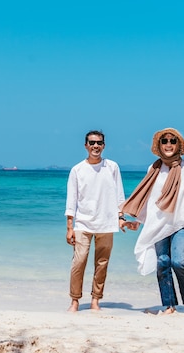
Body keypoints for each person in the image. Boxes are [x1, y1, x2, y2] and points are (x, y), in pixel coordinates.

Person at [121, 127, 184, 315]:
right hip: (159, 224)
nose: (169, 144)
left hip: (182, 222)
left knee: (179, 262)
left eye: (173, 141)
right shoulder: (153, 168)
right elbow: (149, 199)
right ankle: (169, 305)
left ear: (178, 144)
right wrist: (137, 221)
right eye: (165, 141)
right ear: (159, 145)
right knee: (162, 262)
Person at [65, 130, 138, 312]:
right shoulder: (77, 170)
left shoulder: (112, 167)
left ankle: (95, 300)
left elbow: (119, 196)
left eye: (98, 143)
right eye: (92, 143)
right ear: (86, 146)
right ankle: (75, 300)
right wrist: (69, 227)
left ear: (104, 146)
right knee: (79, 261)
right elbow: (71, 200)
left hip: (106, 223)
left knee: (102, 263)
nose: (95, 146)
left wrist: (121, 218)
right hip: (83, 223)